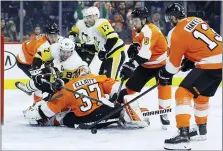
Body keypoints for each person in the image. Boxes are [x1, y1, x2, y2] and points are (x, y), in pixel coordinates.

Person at [157, 3, 222, 150]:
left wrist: (164, 74)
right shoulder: (195, 19)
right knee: (201, 95)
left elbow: (172, 67)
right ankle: (201, 129)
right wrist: (191, 60)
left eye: (169, 18)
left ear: (173, 17)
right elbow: (201, 43)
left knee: (182, 92)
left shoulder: (175, 32)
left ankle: (183, 135)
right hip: (220, 62)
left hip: (209, 64)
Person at [22, 66, 148, 129]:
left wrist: (34, 113)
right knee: (114, 106)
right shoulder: (97, 77)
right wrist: (115, 97)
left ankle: (53, 121)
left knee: (64, 118)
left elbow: (47, 111)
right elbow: (118, 88)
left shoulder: (68, 87)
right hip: (102, 112)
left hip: (86, 120)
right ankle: (128, 112)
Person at [119, 7, 172, 129]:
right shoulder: (136, 29)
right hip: (145, 65)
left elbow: (144, 54)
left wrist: (131, 65)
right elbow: (139, 46)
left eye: (136, 20)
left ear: (144, 20)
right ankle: (128, 111)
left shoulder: (149, 30)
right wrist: (134, 47)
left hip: (161, 65)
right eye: (132, 20)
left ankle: (164, 113)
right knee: (131, 87)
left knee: (164, 88)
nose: (133, 23)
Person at [16, 38, 88, 101]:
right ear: (60, 49)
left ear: (72, 51)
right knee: (39, 78)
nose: (65, 55)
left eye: (68, 52)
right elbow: (40, 55)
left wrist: (58, 83)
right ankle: (28, 88)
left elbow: (68, 81)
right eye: (63, 51)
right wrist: (36, 67)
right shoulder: (55, 48)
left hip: (67, 85)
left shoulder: (74, 62)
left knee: (55, 98)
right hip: (56, 73)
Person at [69, 6, 126, 80]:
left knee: (109, 80)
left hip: (115, 53)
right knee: (102, 79)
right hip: (108, 55)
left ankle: (115, 91)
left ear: (96, 16)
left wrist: (104, 50)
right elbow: (96, 47)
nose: (87, 20)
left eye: (90, 17)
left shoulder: (101, 23)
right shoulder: (90, 28)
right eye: (86, 17)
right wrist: (83, 46)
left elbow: (113, 38)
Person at [15, 23, 63, 103]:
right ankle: (36, 102)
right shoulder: (41, 45)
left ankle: (31, 90)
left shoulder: (56, 39)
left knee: (44, 76)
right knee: (39, 80)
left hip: (31, 55)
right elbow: (38, 62)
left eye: (55, 36)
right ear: (46, 35)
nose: (54, 39)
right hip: (24, 61)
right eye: (51, 36)